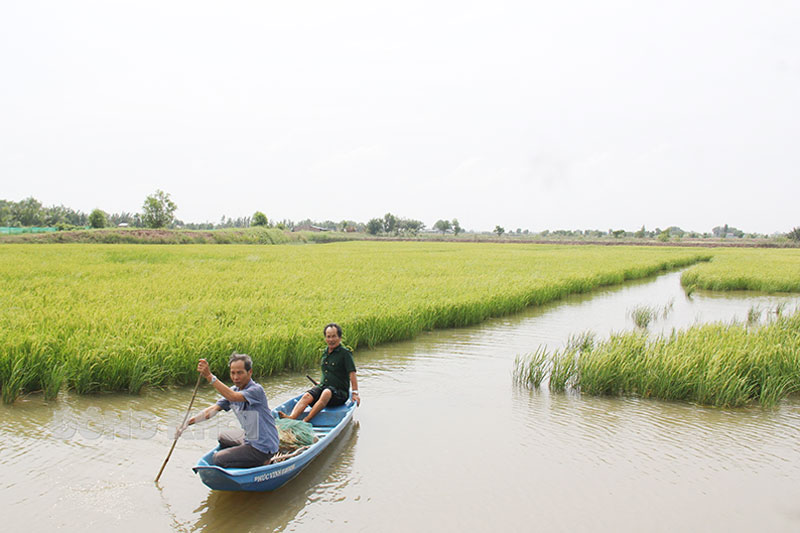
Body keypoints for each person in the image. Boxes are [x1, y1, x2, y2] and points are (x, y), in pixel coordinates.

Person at [176, 353, 280, 468]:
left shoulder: (256, 390)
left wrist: (210, 376)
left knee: (217, 458)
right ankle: (243, 455)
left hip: (263, 446)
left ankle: (262, 461)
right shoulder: (233, 390)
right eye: (233, 373)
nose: (235, 377)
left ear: (249, 372)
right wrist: (187, 423)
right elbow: (212, 410)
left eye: (240, 373)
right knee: (222, 437)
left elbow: (233, 397)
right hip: (250, 438)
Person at [280, 323, 360, 422]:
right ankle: (292, 417)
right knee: (307, 396)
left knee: (326, 392)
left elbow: (352, 373)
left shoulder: (345, 354)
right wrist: (321, 383)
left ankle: (306, 419)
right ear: (325, 338)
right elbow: (327, 373)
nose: (331, 340)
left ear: (340, 337)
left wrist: (355, 393)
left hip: (339, 394)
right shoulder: (325, 352)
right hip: (325, 387)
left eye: (334, 336)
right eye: (328, 337)